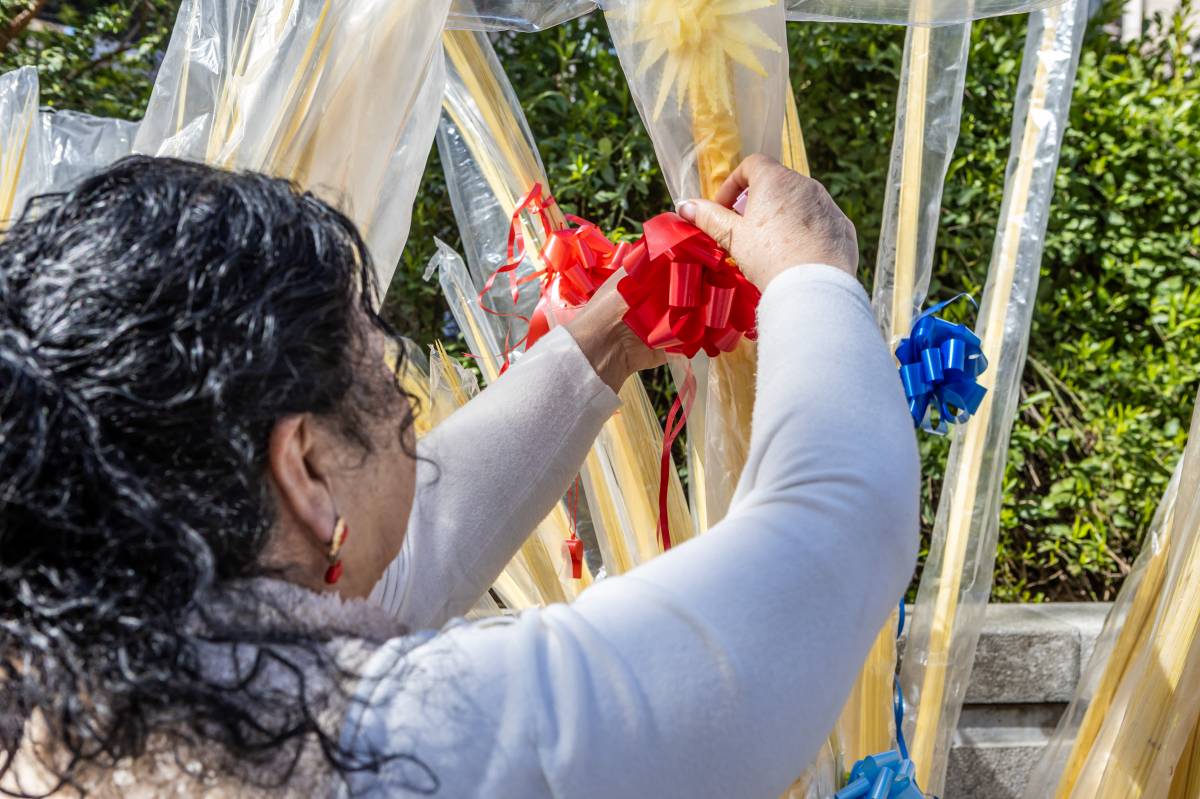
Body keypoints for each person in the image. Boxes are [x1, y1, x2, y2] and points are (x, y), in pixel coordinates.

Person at [0, 153, 918, 798]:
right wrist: (812, 277)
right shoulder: (391, 744)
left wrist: (603, 339)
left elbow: (416, 551)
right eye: (383, 380)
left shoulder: (65, 700)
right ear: (306, 468)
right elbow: (822, 554)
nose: (409, 416)